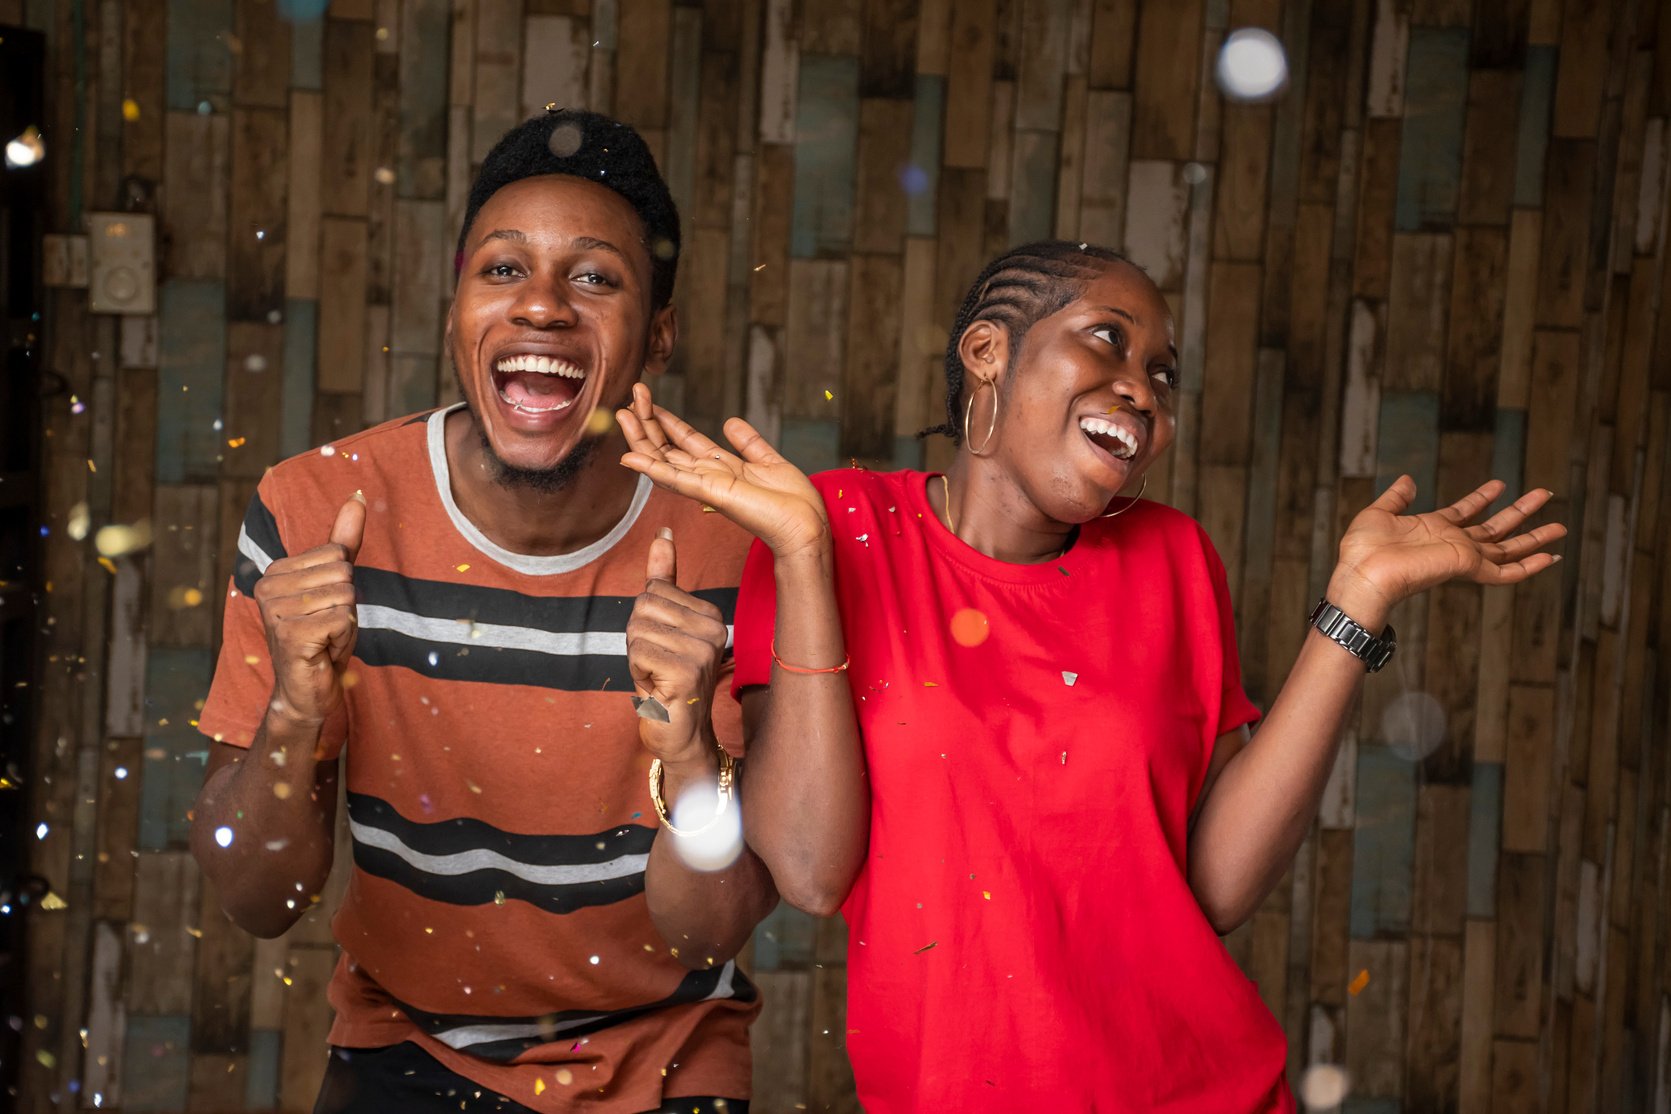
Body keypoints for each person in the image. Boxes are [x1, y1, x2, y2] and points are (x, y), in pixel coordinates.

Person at [614, 241, 1566, 1112]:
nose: (1141, 391)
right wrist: (805, 559)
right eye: (1105, 343)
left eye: (1160, 375)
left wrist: (1354, 605)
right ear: (987, 351)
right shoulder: (836, 528)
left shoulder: (1173, 557)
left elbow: (1218, 885)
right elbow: (813, 872)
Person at [189, 109, 774, 1114]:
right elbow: (260, 901)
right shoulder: (310, 510)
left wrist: (686, 756)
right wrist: (294, 707)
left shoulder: (740, 546)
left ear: (660, 336)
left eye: (594, 276)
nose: (541, 305)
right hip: (404, 1044)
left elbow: (705, 929)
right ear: (456, 307)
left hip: (666, 1058)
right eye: (502, 269)